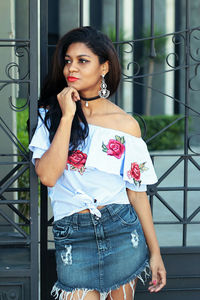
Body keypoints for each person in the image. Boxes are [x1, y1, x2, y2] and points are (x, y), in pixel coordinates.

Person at [29, 26, 166, 300]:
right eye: (68, 60)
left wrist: (156, 253)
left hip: (121, 230)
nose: (72, 68)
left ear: (103, 67)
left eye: (82, 61)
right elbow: (47, 176)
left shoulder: (126, 126)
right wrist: (68, 116)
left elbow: (137, 194)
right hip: (73, 236)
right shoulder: (51, 115)